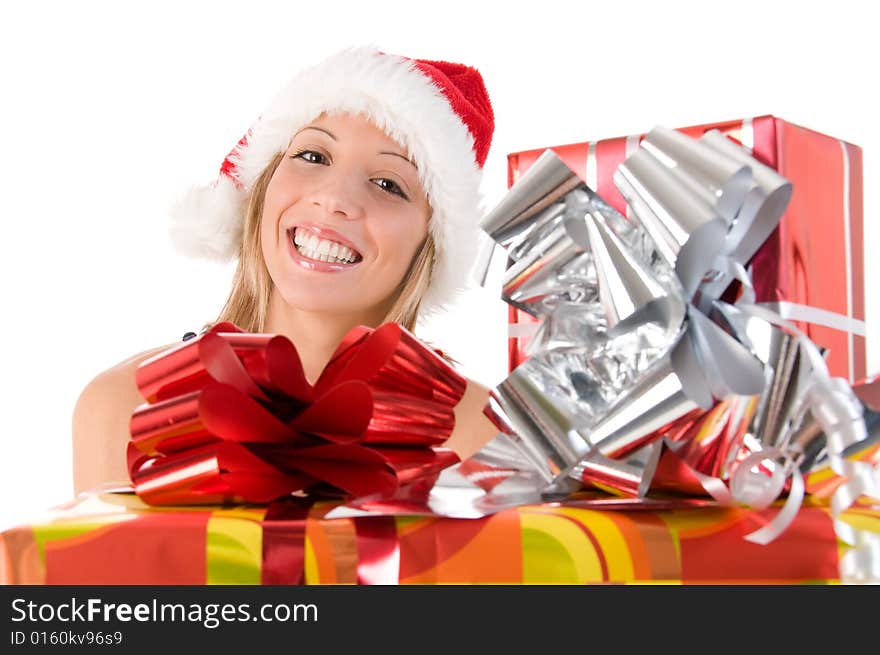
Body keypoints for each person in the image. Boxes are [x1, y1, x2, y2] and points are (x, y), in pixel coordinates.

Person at [72, 46, 501, 495]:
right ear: (261, 189)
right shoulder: (126, 407)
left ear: (428, 244)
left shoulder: (484, 434)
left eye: (388, 184)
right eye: (313, 156)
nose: (334, 198)